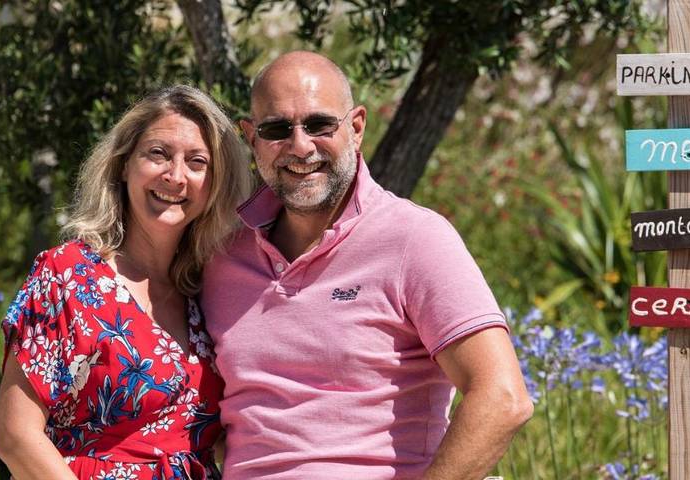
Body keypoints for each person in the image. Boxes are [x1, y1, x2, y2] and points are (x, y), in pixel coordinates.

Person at [200, 51, 534, 479]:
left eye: (319, 125)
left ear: (356, 128)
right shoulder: (222, 255)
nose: (300, 146)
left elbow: (503, 397)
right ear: (252, 138)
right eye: (277, 129)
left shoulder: (414, 239)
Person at [0, 85, 251, 479]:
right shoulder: (69, 277)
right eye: (158, 154)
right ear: (124, 164)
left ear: (214, 184)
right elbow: (14, 435)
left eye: (197, 161)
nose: (175, 176)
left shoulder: (207, 291)